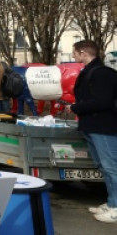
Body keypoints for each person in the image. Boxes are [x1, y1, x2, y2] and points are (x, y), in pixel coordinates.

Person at [68, 40, 117, 223]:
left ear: (83, 53)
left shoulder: (101, 74)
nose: (73, 56)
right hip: (94, 126)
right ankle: (112, 202)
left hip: (103, 127)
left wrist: (76, 107)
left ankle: (116, 207)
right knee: (105, 166)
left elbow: (102, 102)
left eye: (75, 52)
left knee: (112, 167)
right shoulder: (94, 72)